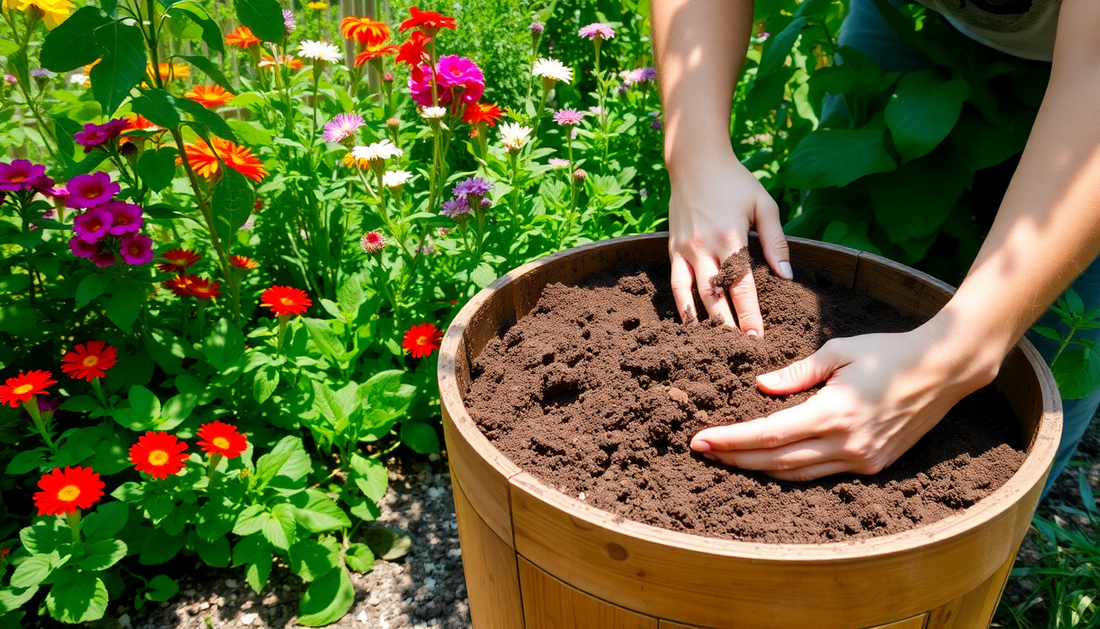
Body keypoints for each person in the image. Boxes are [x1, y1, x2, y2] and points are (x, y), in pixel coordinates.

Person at [650, 0, 1100, 494]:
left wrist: (957, 352)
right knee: (833, 269)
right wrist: (696, 154)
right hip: (909, 18)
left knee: (1051, 351)